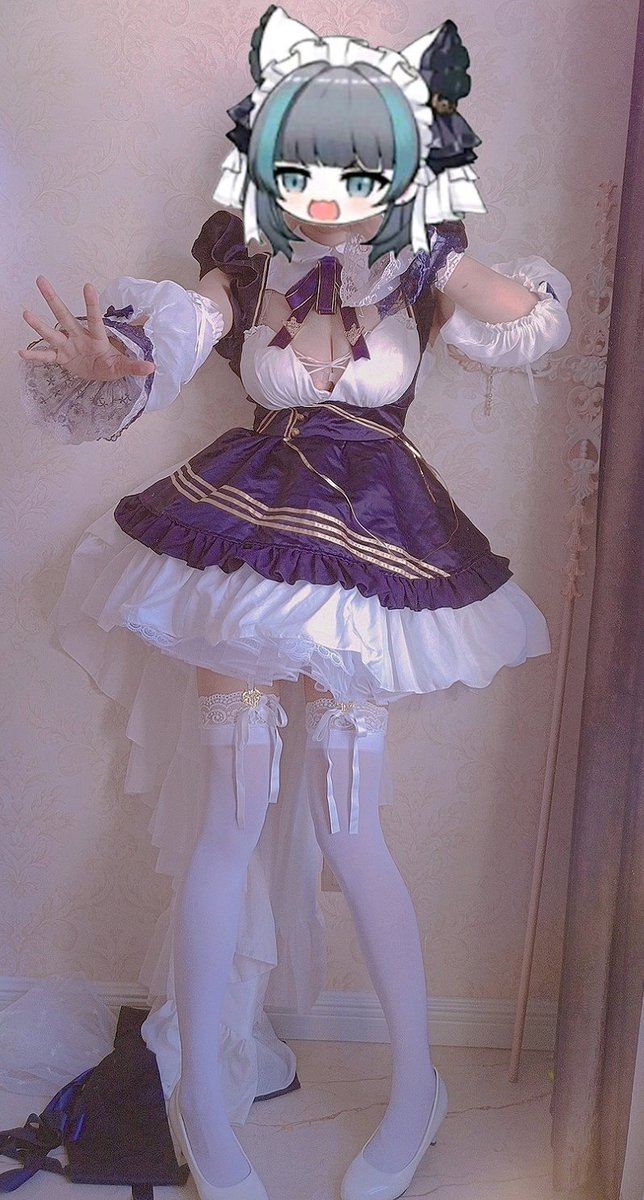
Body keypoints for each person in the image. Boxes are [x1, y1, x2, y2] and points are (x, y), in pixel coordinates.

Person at [18, 8, 571, 1200]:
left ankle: (416, 1085)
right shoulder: (243, 263)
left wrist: (444, 244)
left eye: (357, 168)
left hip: (375, 546)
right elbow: (182, 331)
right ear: (265, 161)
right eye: (302, 165)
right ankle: (203, 1108)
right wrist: (122, 359)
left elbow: (527, 320)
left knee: (350, 827)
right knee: (229, 820)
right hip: (247, 536)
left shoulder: (420, 261)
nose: (326, 194)